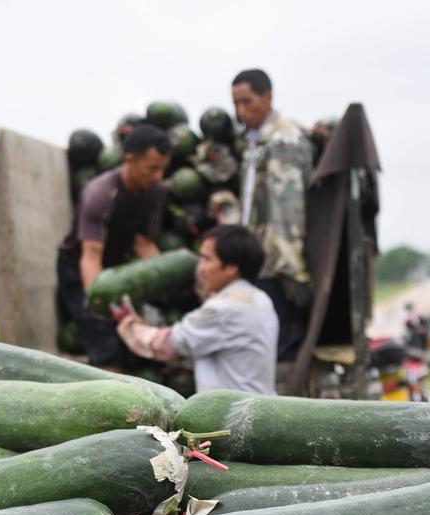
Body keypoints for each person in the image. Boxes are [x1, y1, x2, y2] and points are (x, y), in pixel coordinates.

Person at [112, 224, 278, 394]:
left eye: (207, 259)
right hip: (258, 407)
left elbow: (169, 345)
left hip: (231, 415)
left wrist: (130, 324)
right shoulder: (261, 299)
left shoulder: (223, 308)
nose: (199, 267)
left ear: (231, 268)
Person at [57, 124, 171, 369]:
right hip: (80, 268)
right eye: (152, 168)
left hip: (115, 267)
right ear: (129, 159)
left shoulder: (155, 191)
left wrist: (165, 280)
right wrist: (98, 303)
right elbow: (91, 255)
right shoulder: (99, 194)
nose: (158, 176)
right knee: (104, 342)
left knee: (130, 344)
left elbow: (144, 244)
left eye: (163, 168)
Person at [231, 68, 313, 361]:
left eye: (248, 102)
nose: (241, 111)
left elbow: (286, 213)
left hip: (275, 266)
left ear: (268, 98)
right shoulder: (256, 140)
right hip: (260, 261)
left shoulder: (283, 140)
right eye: (236, 103)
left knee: (280, 355)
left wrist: (289, 271)